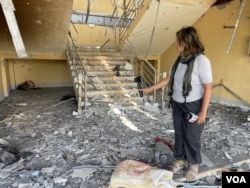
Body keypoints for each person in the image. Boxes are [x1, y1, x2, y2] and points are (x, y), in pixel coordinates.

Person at [140, 26, 213, 180]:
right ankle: (179, 160)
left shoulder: (201, 61)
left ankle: (193, 164)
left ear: (185, 42)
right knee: (179, 134)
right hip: (177, 104)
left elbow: (208, 87)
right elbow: (169, 79)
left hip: (194, 105)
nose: (175, 44)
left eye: (178, 41)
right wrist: (150, 89)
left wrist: (203, 111)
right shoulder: (179, 59)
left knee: (192, 136)